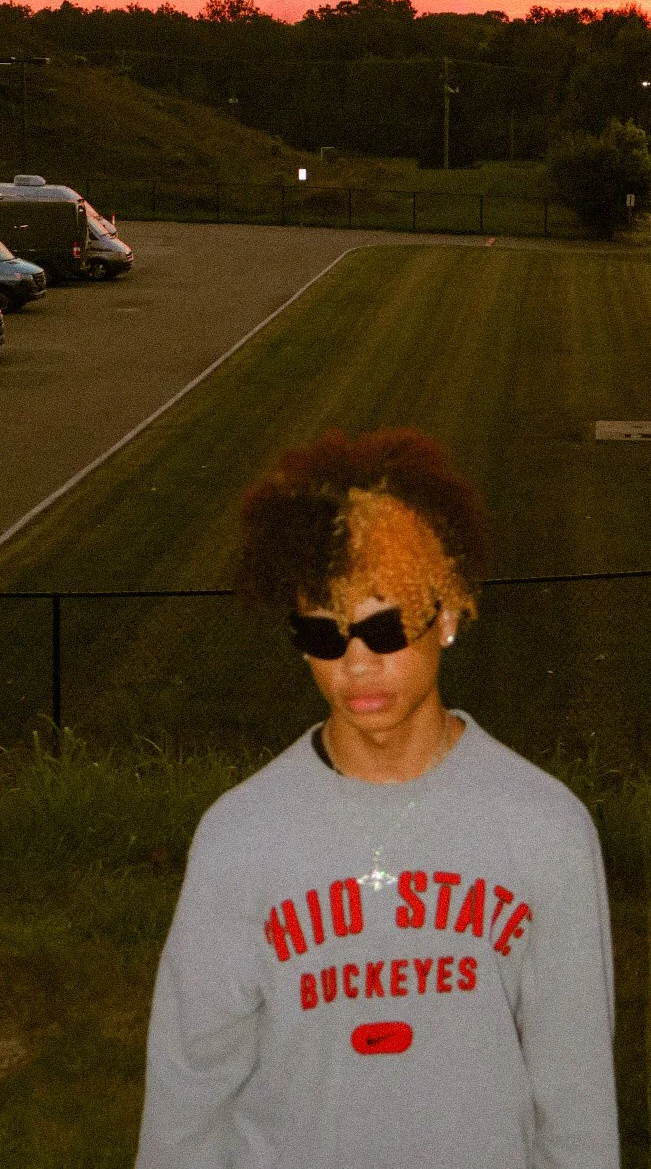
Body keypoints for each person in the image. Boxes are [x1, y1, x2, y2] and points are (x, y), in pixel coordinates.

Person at [136, 427, 620, 1169]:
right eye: (324, 635)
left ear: (448, 614)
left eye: (385, 626)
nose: (357, 664)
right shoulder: (241, 834)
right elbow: (190, 1082)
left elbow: (577, 1090)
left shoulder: (545, 828)